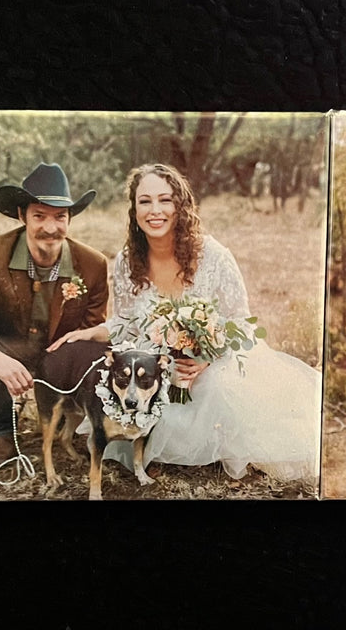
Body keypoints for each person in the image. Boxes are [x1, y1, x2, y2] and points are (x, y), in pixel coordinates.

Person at [51, 163, 320, 482]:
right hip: (158, 361)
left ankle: (211, 446)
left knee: (217, 389)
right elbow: (124, 321)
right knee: (143, 389)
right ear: (134, 209)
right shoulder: (127, 260)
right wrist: (89, 333)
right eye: (145, 201)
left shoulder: (214, 255)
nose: (155, 210)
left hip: (217, 359)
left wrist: (207, 357)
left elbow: (242, 323)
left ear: (181, 204)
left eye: (165, 200)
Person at [0, 163, 110, 464]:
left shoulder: (93, 264)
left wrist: (65, 383)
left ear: (70, 218)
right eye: (39, 216)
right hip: (7, 345)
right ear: (21, 216)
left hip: (59, 355)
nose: (50, 227)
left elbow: (91, 332)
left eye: (60, 217)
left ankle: (61, 417)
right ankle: (1, 428)